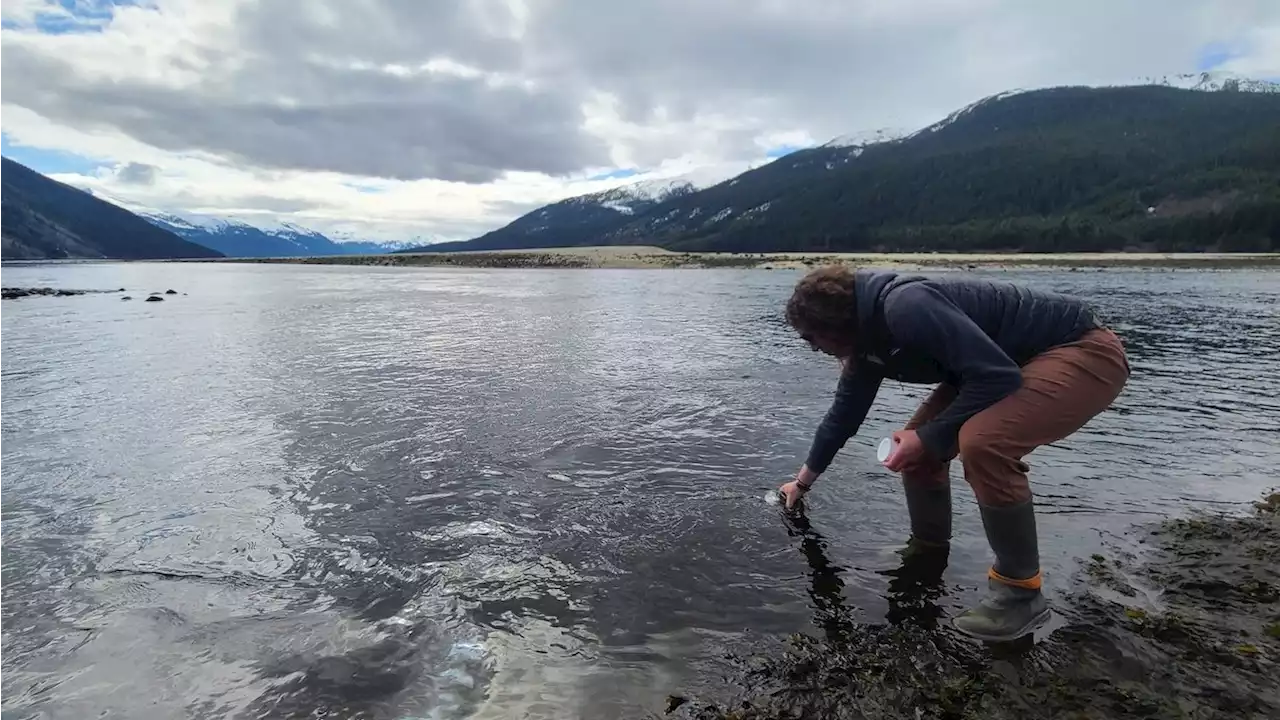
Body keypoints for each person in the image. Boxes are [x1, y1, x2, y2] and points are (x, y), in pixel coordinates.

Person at [777, 264, 1130, 642]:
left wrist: (929, 437)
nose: (814, 349)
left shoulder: (905, 307)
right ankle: (927, 553)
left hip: (1080, 348)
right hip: (1002, 363)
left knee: (984, 443)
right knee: (914, 449)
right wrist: (802, 482)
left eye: (811, 339)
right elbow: (843, 417)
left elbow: (998, 376)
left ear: (834, 325)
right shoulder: (865, 341)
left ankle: (1020, 593)